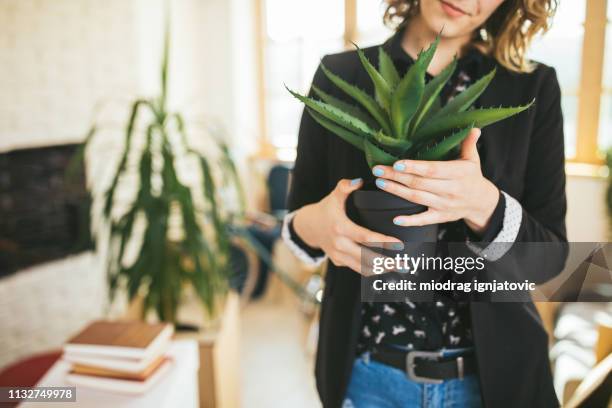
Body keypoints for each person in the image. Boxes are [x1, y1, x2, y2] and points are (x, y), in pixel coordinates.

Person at [282, 0, 567, 407]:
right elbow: (296, 223)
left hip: (495, 384)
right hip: (365, 378)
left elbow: (552, 261)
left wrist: (485, 204)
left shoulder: (531, 86)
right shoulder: (341, 75)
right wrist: (318, 226)